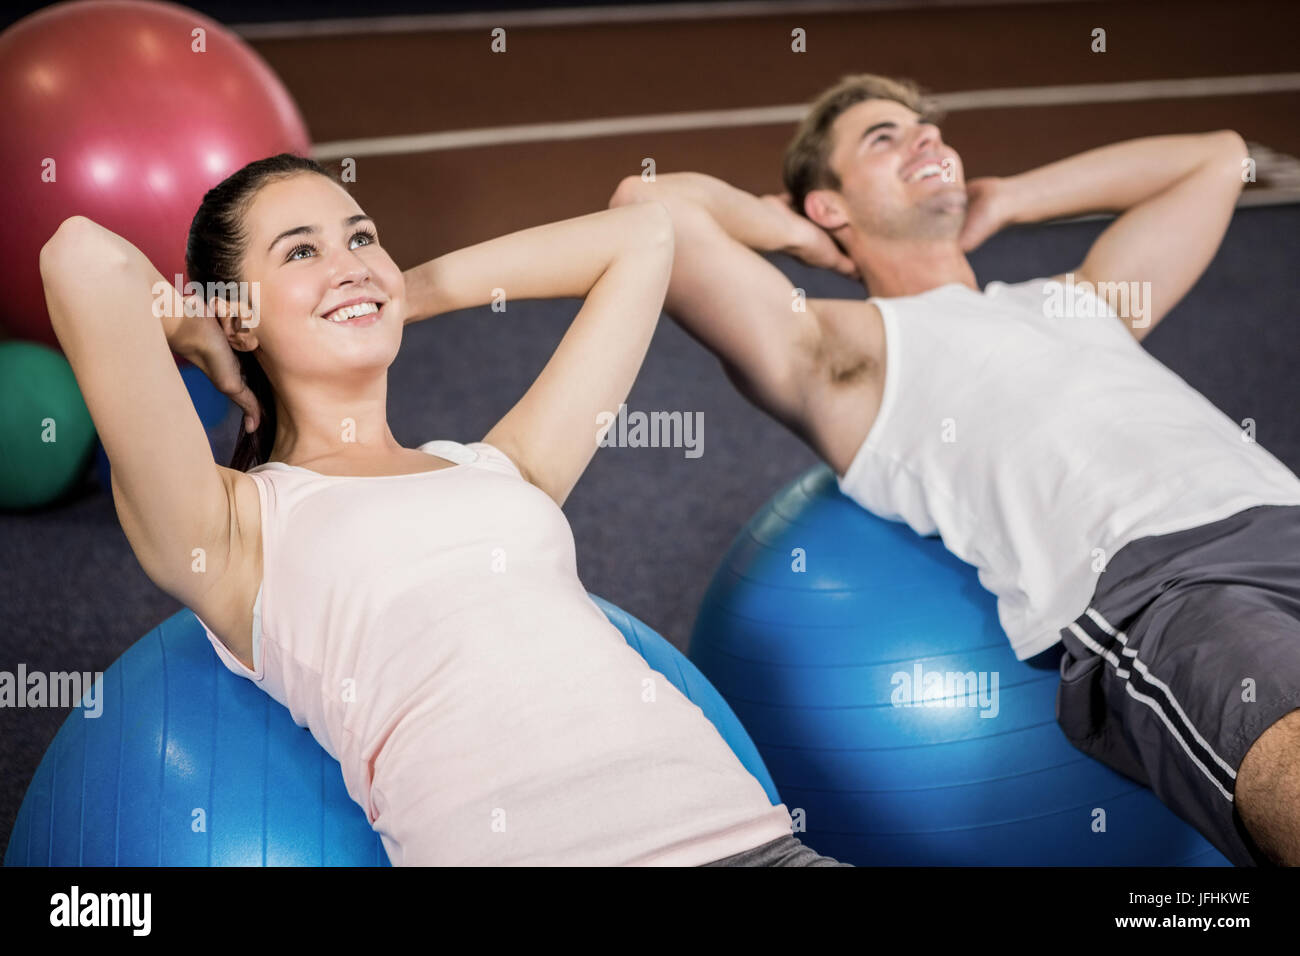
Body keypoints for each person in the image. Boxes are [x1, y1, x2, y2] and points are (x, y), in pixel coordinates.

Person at [39, 153, 849, 867]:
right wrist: (194, 323)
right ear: (241, 311)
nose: (350, 261)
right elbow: (81, 257)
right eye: (301, 252)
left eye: (361, 238)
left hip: (753, 843)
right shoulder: (233, 529)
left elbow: (645, 238)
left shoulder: (504, 469)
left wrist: (397, 292)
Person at [608, 73, 1300, 867]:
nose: (927, 141)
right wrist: (792, 233)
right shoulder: (844, 350)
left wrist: (1009, 198)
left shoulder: (1075, 299)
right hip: (1169, 587)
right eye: (884, 138)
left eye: (929, 130)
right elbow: (646, 206)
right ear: (829, 205)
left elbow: (1218, 159)